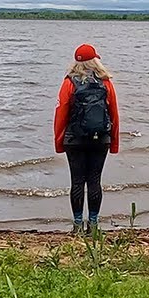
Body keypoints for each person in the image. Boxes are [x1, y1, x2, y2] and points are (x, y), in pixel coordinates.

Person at [53, 43, 120, 234]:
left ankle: (76, 226)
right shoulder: (106, 83)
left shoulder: (68, 83)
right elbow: (114, 115)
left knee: (76, 182)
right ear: (95, 61)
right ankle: (93, 225)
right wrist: (114, 143)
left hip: (74, 140)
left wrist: (59, 142)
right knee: (94, 181)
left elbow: (61, 115)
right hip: (101, 140)